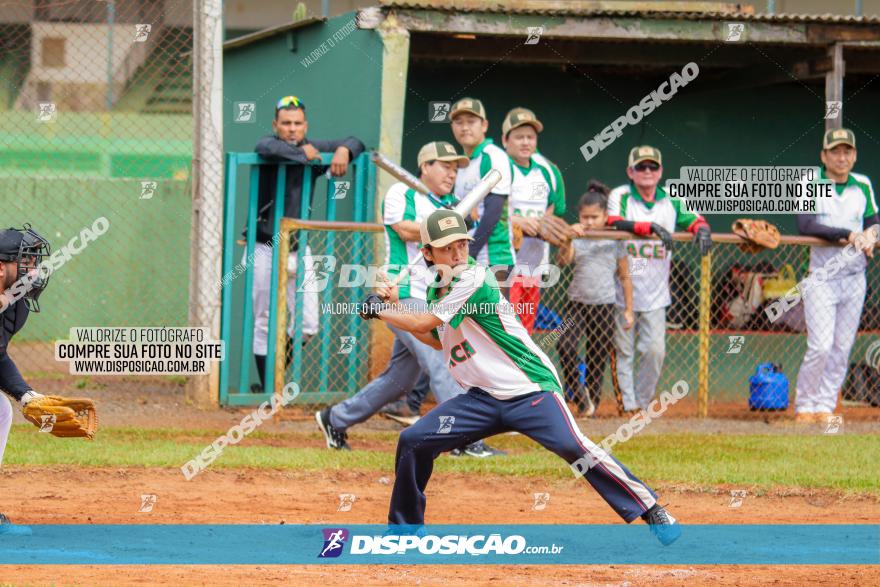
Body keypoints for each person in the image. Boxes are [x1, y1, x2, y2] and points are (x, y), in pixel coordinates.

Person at [358, 209, 680, 545]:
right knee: (413, 441)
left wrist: (380, 308)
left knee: (575, 446)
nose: (457, 254)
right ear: (427, 253)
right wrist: (390, 311)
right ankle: (404, 531)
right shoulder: (437, 292)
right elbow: (436, 338)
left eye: (461, 246)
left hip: (529, 390)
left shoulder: (474, 278)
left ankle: (651, 509)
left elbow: (423, 323)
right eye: (446, 248)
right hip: (480, 399)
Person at [315, 142, 504, 458]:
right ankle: (464, 439)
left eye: (455, 168)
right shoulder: (401, 193)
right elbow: (403, 230)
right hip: (402, 295)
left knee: (398, 380)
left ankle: (334, 419)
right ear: (425, 167)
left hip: (431, 294)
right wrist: (445, 223)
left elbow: (460, 238)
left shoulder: (446, 202)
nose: (451, 173)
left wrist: (459, 219)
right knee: (443, 359)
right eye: (444, 166)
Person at [249, 95, 365, 392]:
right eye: (285, 123)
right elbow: (265, 147)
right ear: (275, 124)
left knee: (308, 325)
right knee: (263, 320)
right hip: (265, 246)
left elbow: (356, 141)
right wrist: (304, 154)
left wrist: (342, 150)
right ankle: (267, 392)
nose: (291, 129)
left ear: (305, 125)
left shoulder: (313, 146)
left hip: (300, 249)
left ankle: (275, 378)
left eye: (297, 123)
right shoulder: (271, 147)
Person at [607, 146, 712, 413]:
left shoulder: (672, 198)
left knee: (655, 351)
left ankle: (641, 404)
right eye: (641, 167)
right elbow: (614, 222)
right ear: (630, 171)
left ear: (661, 171)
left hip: (656, 292)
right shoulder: (621, 195)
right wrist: (648, 228)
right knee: (624, 351)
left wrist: (701, 229)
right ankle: (627, 406)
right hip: (623, 288)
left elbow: (695, 219)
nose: (647, 172)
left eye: (652, 167)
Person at [794, 128, 878, 423]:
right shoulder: (810, 182)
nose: (841, 157)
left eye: (847, 152)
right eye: (835, 152)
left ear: (854, 156)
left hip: (855, 277)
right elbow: (806, 226)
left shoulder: (862, 185)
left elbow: (874, 222)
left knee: (842, 347)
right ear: (823, 156)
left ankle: (825, 406)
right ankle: (804, 405)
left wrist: (870, 234)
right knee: (820, 345)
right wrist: (849, 234)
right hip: (822, 277)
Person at [556, 182, 634, 416]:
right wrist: (568, 238)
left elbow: (625, 276)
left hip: (604, 305)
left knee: (597, 355)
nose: (589, 222)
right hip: (577, 303)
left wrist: (629, 309)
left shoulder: (615, 238)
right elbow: (563, 261)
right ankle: (579, 394)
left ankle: (592, 404)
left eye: (594, 217)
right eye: (585, 217)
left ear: (605, 216)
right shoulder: (578, 236)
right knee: (564, 345)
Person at [0, 225, 51, 535]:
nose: (33, 270)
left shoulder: (15, 306)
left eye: (34, 262)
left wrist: (26, 395)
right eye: (24, 261)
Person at [502, 107, 566, 334]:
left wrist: (545, 224)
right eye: (519, 137)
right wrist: (516, 220)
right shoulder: (499, 168)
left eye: (530, 137)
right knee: (505, 327)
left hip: (534, 265)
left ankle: (521, 370)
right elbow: (483, 211)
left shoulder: (547, 171)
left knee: (526, 328)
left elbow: (556, 209)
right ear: (505, 140)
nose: (525, 142)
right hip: (504, 264)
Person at [448, 98, 516, 297]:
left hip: (495, 256)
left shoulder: (493, 155)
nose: (465, 127)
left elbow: (494, 211)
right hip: (468, 255)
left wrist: (471, 252)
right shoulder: (460, 164)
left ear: (484, 125)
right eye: (459, 122)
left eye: (471, 121)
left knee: (497, 323)